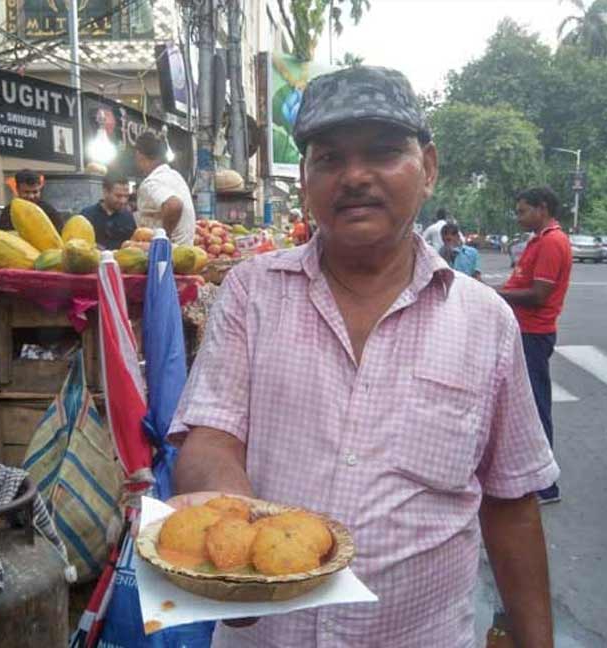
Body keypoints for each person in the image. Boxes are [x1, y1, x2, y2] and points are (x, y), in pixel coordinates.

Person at [167, 66, 558, 648]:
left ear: (427, 168)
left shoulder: (485, 322)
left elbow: (511, 503)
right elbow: (212, 437)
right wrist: (238, 555)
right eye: (329, 158)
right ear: (305, 180)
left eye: (381, 152)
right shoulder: (252, 293)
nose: (354, 176)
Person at [497, 187, 572, 505]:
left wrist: (494, 293)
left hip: (534, 334)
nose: (519, 217)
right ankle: (528, 475)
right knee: (521, 405)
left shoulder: (553, 242)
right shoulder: (539, 240)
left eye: (523, 210)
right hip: (523, 331)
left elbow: (539, 294)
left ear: (542, 209)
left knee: (536, 407)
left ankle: (546, 486)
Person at [134, 130, 195, 246]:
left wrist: (163, 238)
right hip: (185, 252)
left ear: (140, 156)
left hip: (168, 256)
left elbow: (174, 205)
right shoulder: (176, 177)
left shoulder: (151, 183)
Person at [80, 170, 137, 250]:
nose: (123, 201)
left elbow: (134, 243)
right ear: (105, 192)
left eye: (126, 196)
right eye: (118, 196)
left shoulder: (128, 217)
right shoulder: (87, 215)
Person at [0, 169, 64, 232]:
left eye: (35, 192)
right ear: (17, 190)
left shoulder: (49, 211)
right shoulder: (8, 213)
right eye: (26, 192)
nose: (31, 196)